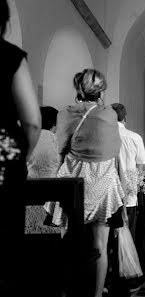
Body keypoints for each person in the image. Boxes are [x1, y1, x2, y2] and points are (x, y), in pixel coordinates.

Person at [56, 69, 124, 297]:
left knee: (68, 239)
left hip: (72, 180)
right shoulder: (109, 114)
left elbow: (60, 148)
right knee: (100, 245)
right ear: (101, 91)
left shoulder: (66, 113)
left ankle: (68, 289)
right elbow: (114, 150)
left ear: (78, 89)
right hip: (103, 182)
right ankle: (96, 294)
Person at [0, 1, 41, 291]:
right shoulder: (9, 56)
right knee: (6, 241)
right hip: (3, 159)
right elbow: (32, 122)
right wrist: (22, 156)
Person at [111, 103, 145, 242]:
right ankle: (126, 260)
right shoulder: (135, 137)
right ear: (125, 118)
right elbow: (140, 167)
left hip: (109, 191)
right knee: (128, 232)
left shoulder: (104, 137)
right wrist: (137, 188)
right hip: (130, 191)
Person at [26, 106, 60, 235]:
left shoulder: (31, 137)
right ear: (53, 123)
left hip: (31, 187)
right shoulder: (54, 138)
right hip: (52, 190)